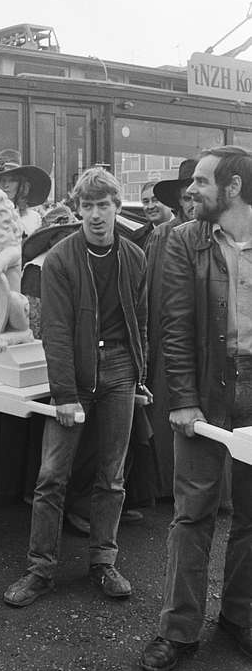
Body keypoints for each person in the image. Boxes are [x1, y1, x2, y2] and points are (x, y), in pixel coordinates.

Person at [3, 167, 148, 608]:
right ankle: (40, 568)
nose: (96, 214)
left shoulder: (133, 256)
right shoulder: (62, 257)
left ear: (117, 209)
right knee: (52, 475)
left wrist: (139, 377)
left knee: (112, 474)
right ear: (78, 209)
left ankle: (103, 561)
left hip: (120, 366)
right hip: (76, 371)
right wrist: (64, 394)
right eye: (88, 206)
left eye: (104, 205)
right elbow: (57, 331)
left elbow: (140, 322)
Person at [141, 146, 252, 671]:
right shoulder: (185, 240)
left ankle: (238, 615)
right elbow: (176, 325)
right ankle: (179, 629)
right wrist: (183, 399)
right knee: (193, 513)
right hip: (207, 388)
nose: (192, 190)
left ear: (232, 188)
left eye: (203, 181)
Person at [144, 159, 197, 497]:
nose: (191, 203)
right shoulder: (163, 235)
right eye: (186, 197)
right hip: (169, 337)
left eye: (197, 195)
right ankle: (168, 486)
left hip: (211, 341)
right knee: (169, 408)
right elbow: (152, 295)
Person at [0, 154, 51, 238]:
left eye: (12, 180)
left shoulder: (33, 218)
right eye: (1, 180)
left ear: (21, 185)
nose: (6, 185)